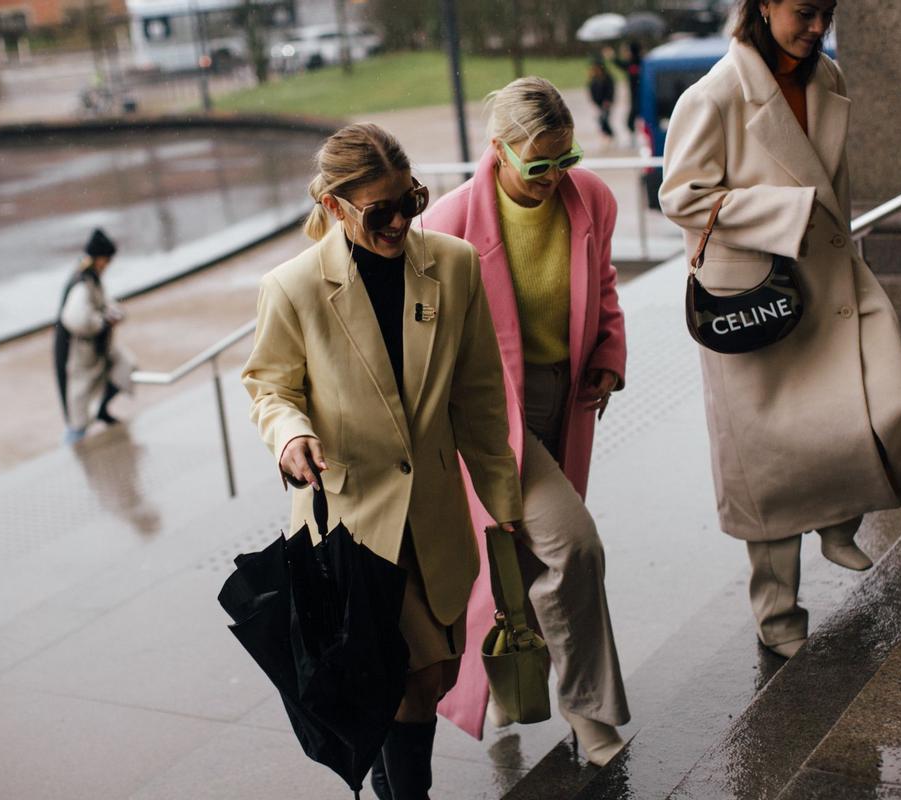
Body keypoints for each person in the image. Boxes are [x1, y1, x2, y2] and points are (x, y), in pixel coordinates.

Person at [660, 0, 901, 658]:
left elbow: (837, 187)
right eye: (803, 11)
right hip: (755, 295)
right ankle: (777, 614)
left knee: (891, 397)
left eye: (826, 11)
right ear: (763, 6)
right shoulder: (712, 97)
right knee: (769, 467)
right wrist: (788, 212)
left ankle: (838, 517)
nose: (818, 25)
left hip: (831, 279)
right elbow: (679, 196)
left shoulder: (829, 78)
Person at [241, 122, 523, 800]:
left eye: (411, 200)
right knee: (403, 691)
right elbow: (270, 385)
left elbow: (480, 398)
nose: (400, 220)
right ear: (335, 206)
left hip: (433, 520)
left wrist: (506, 508)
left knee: (428, 680)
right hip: (350, 526)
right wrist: (288, 434)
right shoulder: (294, 287)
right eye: (380, 210)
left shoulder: (453, 266)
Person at [426, 76, 630, 766]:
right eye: (537, 166)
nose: (552, 180)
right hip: (489, 420)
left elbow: (602, 287)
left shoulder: (592, 198)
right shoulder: (448, 225)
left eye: (564, 162)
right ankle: (591, 715)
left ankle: (524, 692)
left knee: (530, 559)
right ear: (498, 151)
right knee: (573, 546)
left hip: (563, 401)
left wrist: (608, 353)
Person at [54, 228, 135, 444]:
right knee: (77, 413)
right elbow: (75, 318)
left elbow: (103, 302)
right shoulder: (82, 283)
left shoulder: (91, 279)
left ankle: (101, 409)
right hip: (81, 354)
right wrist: (101, 322)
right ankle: (70, 452)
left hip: (96, 349)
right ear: (99, 259)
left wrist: (111, 312)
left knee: (125, 366)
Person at [612, 41, 645, 146]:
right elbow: (621, 65)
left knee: (636, 119)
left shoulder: (641, 62)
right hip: (635, 96)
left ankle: (639, 138)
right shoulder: (632, 63)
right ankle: (635, 138)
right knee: (632, 120)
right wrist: (613, 57)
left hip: (642, 96)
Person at [588, 60, 616, 142]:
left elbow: (611, 90)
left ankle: (610, 134)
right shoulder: (594, 78)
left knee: (604, 119)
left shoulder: (607, 77)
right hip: (599, 103)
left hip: (606, 102)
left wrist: (608, 100)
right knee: (601, 119)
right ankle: (607, 134)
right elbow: (591, 90)